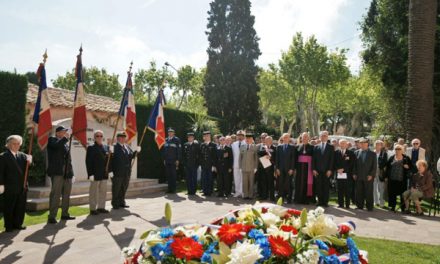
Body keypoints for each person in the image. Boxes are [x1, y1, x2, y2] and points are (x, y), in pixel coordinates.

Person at [0, 135, 32, 232]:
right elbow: (0, 172)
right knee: (9, 207)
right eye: (14, 143)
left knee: (20, 206)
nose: (16, 145)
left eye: (18, 144)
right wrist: (1, 185)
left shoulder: (23, 155)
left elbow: (28, 170)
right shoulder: (3, 156)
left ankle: (18, 224)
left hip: (22, 186)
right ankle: (9, 226)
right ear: (8, 144)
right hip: (9, 186)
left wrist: (30, 162)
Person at [47, 125, 75, 224]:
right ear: (57, 132)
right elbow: (56, 146)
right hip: (57, 172)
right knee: (56, 194)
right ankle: (52, 216)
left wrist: (72, 173)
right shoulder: (52, 140)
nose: (64, 133)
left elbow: (69, 159)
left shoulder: (65, 143)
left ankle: (65, 214)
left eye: (65, 131)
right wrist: (66, 138)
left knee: (66, 194)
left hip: (67, 172)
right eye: (63, 131)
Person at [86, 130, 111, 215]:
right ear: (94, 137)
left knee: (103, 192)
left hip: (104, 173)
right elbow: (88, 162)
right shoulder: (91, 147)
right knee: (93, 192)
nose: (99, 137)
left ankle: (101, 207)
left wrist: (112, 153)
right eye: (97, 136)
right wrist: (90, 174)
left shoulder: (106, 147)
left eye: (101, 136)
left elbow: (109, 161)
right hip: (95, 173)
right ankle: (93, 209)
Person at [111, 131, 136, 209]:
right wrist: (110, 171)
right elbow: (110, 160)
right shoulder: (114, 147)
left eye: (124, 137)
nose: (122, 138)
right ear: (117, 138)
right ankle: (115, 203)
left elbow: (131, 156)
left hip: (126, 171)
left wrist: (136, 152)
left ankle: (122, 202)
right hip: (117, 171)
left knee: (124, 187)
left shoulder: (127, 147)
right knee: (116, 188)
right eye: (121, 137)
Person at [385, 144, 411, 212]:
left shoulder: (406, 158)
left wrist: (408, 167)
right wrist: (386, 177)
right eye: (396, 149)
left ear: (402, 150)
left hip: (402, 179)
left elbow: (411, 167)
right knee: (392, 193)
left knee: (402, 194)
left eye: (399, 149)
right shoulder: (391, 157)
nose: (397, 150)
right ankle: (392, 206)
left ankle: (403, 208)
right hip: (392, 179)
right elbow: (387, 168)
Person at [353, 138, 377, 211]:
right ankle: (359, 206)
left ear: (367, 144)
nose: (362, 144)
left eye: (364, 143)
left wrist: (371, 175)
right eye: (361, 143)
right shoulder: (356, 152)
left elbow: (374, 166)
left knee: (368, 192)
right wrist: (354, 173)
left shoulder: (372, 154)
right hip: (359, 175)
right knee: (359, 191)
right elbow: (354, 165)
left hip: (368, 176)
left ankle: (369, 206)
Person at [312, 131, 334, 207]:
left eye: (325, 136)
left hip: (326, 171)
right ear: (320, 137)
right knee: (318, 187)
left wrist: (330, 170)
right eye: (322, 136)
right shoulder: (316, 147)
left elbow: (331, 159)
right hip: (317, 171)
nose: (323, 137)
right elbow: (313, 159)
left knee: (326, 187)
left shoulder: (331, 147)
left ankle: (325, 202)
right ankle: (319, 201)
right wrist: (313, 169)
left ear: (327, 137)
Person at [334, 139, 356, 209]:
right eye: (341, 143)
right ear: (339, 144)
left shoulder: (351, 153)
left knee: (347, 190)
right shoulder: (336, 152)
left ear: (346, 144)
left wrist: (343, 169)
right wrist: (337, 169)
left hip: (347, 174)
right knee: (340, 189)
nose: (342, 145)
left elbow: (351, 164)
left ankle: (347, 204)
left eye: (344, 143)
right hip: (339, 174)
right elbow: (333, 162)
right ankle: (340, 204)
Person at [276, 133, 296, 203]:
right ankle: (280, 199)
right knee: (280, 184)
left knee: (289, 184)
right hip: (280, 169)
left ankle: (289, 199)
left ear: (289, 138)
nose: (285, 139)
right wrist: (277, 168)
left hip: (289, 169)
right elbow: (277, 159)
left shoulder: (292, 147)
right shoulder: (279, 147)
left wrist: (292, 169)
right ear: (282, 138)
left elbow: (293, 159)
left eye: (287, 137)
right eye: (284, 137)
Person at [295, 132, 314, 204]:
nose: (305, 138)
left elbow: (314, 158)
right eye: (303, 137)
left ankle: (306, 200)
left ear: (308, 138)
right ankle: (298, 199)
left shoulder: (312, 147)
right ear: (301, 138)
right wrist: (294, 168)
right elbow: (295, 158)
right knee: (299, 182)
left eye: (306, 137)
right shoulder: (297, 147)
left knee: (307, 183)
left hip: (308, 168)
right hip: (299, 168)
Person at [161, 128, 181, 194]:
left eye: (171, 132)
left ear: (174, 133)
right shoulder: (166, 140)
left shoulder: (176, 140)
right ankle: (169, 189)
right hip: (167, 160)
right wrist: (164, 159)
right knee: (168, 175)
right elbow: (164, 150)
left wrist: (178, 159)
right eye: (169, 132)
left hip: (173, 160)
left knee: (173, 175)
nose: (170, 133)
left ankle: (174, 189)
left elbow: (178, 150)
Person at [239, 132, 259, 199]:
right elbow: (240, 157)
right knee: (244, 182)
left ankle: (250, 195)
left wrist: (256, 167)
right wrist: (240, 167)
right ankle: (245, 195)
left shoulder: (255, 147)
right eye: (246, 138)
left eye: (249, 138)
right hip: (244, 168)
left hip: (251, 168)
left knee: (251, 182)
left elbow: (256, 158)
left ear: (252, 139)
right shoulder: (242, 147)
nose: (247, 139)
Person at [257, 136, 276, 201]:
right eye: (266, 140)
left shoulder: (274, 148)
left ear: (271, 141)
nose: (267, 141)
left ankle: (272, 197)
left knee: (271, 183)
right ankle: (264, 196)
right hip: (263, 167)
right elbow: (259, 153)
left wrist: (271, 158)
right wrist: (265, 152)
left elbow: (276, 157)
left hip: (271, 168)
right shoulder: (263, 147)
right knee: (263, 182)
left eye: (269, 140)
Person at [199, 131, 217, 196]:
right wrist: (201, 164)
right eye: (205, 136)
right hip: (204, 165)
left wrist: (214, 165)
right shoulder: (202, 145)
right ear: (204, 137)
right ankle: (205, 191)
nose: (207, 137)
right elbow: (200, 155)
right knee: (204, 178)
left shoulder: (213, 145)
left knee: (210, 178)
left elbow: (215, 156)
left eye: (208, 136)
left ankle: (210, 191)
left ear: (210, 136)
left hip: (210, 165)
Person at [373, 140, 388, 208]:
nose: (377, 146)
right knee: (374, 187)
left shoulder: (384, 153)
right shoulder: (372, 152)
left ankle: (382, 202)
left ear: (381, 146)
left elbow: (385, 163)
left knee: (381, 188)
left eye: (379, 145)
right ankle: (376, 202)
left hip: (381, 172)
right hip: (373, 172)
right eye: (376, 144)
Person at [231, 130, 245, 197]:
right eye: (238, 135)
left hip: (243, 164)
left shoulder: (245, 143)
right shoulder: (234, 144)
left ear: (243, 136)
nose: (240, 136)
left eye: (241, 135)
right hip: (235, 164)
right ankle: (237, 192)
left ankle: (242, 192)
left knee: (242, 179)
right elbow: (233, 155)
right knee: (236, 178)